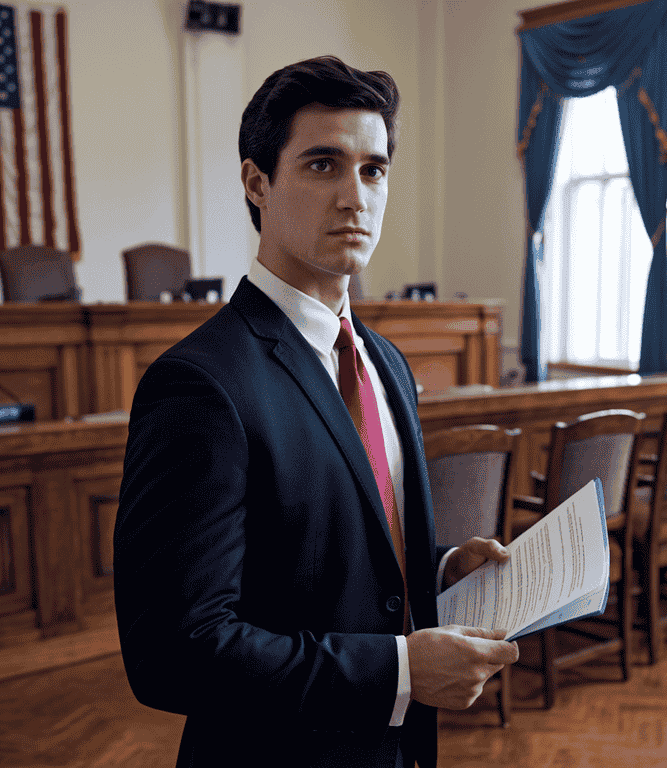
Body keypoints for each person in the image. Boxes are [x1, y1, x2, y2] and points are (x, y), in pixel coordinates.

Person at [113, 55, 519, 768]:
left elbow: (332, 553)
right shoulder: (199, 384)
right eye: (324, 165)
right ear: (256, 182)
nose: (355, 198)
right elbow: (173, 654)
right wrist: (398, 673)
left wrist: (442, 569)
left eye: (374, 170)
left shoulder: (386, 364)